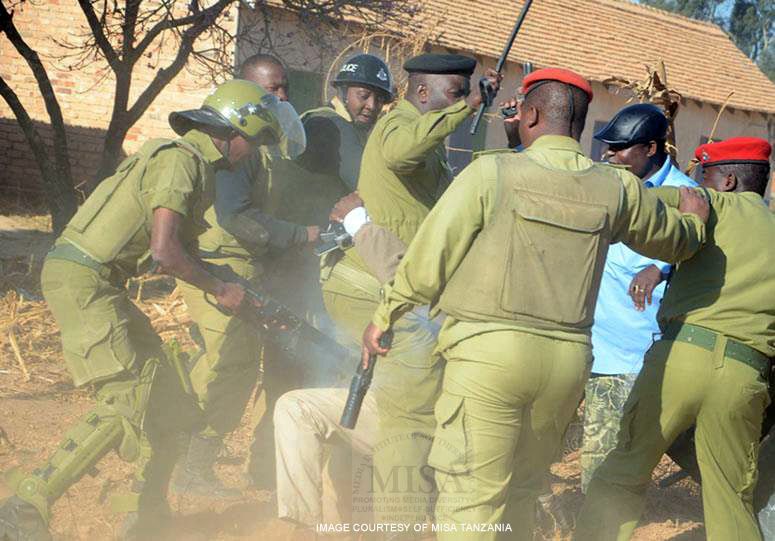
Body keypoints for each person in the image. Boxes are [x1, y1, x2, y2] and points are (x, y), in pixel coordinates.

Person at [361, 67, 709, 541]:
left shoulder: (491, 172)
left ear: (532, 114)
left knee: (472, 499)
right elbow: (676, 243)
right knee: (520, 494)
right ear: (581, 124)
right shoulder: (616, 187)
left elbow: (428, 260)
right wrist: (693, 220)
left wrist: (385, 315)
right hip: (564, 367)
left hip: (489, 360)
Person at [0, 79, 294, 540]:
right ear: (235, 131)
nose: (253, 153)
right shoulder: (181, 162)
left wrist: (244, 292)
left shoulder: (197, 168)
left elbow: (188, 253)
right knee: (126, 401)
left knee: (171, 401)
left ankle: (147, 518)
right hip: (84, 280)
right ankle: (26, 507)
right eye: (254, 142)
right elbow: (164, 252)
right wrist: (220, 290)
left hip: (102, 283)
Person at [320, 52, 501, 530]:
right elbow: (403, 153)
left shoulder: (426, 140)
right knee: (410, 417)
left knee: (403, 410)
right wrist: (464, 110)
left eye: (464, 95)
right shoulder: (398, 127)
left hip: (401, 287)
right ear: (424, 93)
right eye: (456, 93)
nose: (464, 103)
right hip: (385, 290)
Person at [575, 137, 774, 541]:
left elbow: (630, 201)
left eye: (705, 176)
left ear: (729, 181)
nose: (697, 184)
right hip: (746, 373)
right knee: (731, 496)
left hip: (680, 357)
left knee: (624, 470)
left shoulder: (707, 203)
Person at [244, 54, 396, 489]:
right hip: (297, 267)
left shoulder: (340, 126)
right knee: (298, 367)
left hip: (305, 264)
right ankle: (274, 469)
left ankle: (268, 467)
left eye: (378, 99)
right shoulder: (331, 126)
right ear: (342, 92)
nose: (370, 105)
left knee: (294, 367)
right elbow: (369, 184)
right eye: (363, 95)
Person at [171, 54, 312, 500]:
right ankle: (185, 466)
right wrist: (297, 235)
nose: (284, 97)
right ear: (246, 92)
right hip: (220, 265)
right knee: (228, 366)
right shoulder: (238, 142)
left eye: (286, 87)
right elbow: (235, 217)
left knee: (230, 365)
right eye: (273, 89)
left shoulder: (263, 147)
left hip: (242, 266)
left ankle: (180, 458)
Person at [580, 103, 697, 491]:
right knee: (586, 449)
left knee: (614, 458)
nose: (608, 154)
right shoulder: (611, 183)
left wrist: (661, 265)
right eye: (607, 147)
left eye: (620, 148)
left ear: (650, 148)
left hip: (636, 353)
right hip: (594, 343)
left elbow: (702, 250)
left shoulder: (687, 195)